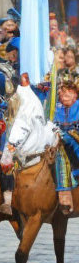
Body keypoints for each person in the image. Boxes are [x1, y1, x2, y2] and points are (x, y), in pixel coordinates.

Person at [53, 73, 79, 215]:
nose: (63, 96)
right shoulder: (56, 108)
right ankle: (63, 193)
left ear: (75, 93)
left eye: (67, 92)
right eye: (61, 93)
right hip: (60, 139)